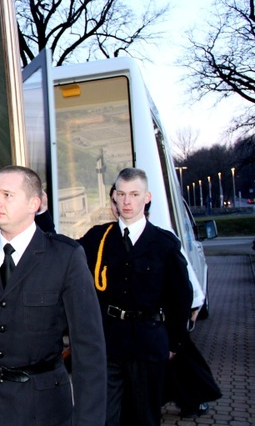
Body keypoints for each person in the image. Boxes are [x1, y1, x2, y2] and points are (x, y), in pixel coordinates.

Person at [0, 165, 106, 425]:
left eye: (7, 195)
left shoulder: (65, 257)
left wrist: (89, 420)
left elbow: (89, 348)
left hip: (40, 405)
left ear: (34, 204)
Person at [78, 168, 192, 426]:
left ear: (147, 197)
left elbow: (181, 297)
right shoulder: (98, 238)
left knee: (143, 417)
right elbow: (62, 253)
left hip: (148, 343)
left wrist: (173, 343)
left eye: (134, 194)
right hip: (109, 341)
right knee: (105, 416)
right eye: (121, 194)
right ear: (114, 197)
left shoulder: (164, 244)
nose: (127, 201)